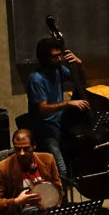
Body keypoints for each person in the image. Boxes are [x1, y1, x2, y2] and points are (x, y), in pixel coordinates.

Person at [26, 36, 91, 177]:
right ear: (44, 59)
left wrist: (79, 64)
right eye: (55, 57)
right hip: (45, 131)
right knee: (61, 170)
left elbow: (82, 81)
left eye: (60, 55)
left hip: (61, 125)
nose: (60, 59)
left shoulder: (58, 70)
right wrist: (67, 103)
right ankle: (61, 197)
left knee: (83, 154)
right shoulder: (36, 79)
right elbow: (42, 110)